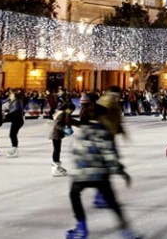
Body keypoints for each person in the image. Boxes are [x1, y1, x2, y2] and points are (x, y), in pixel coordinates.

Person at [65, 99, 139, 239]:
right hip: (100, 174)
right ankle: (126, 231)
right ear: (100, 117)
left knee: (74, 195)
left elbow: (73, 150)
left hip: (80, 174)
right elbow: (110, 155)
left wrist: (77, 169)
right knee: (112, 203)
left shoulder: (82, 132)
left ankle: (81, 227)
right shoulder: (104, 133)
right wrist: (120, 171)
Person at [50, 102, 76, 177]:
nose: (71, 112)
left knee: (57, 150)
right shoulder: (62, 113)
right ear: (67, 108)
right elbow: (57, 124)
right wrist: (65, 129)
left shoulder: (62, 113)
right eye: (71, 110)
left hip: (57, 134)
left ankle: (56, 166)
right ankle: (55, 168)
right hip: (56, 134)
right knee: (56, 150)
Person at [5, 90, 25, 158]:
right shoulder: (16, 101)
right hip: (17, 120)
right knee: (13, 135)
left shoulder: (16, 101)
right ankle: (14, 148)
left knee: (12, 135)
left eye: (11, 95)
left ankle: (15, 150)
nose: (10, 96)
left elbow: (15, 110)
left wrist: (6, 115)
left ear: (14, 96)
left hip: (17, 120)